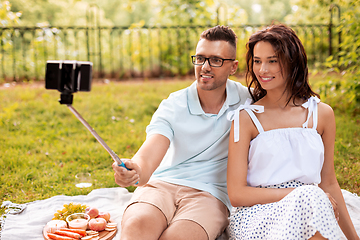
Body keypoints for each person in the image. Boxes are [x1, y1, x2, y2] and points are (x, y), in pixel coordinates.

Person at [112, 25, 251, 240]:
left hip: (211, 194)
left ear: (233, 67)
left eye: (215, 60)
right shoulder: (173, 104)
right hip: (162, 185)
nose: (205, 67)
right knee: (137, 226)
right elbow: (149, 153)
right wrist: (134, 169)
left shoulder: (247, 101)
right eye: (200, 58)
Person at [226, 24, 359, 240]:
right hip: (260, 215)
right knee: (310, 197)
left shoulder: (322, 114)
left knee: (312, 203)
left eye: (272, 61)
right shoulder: (245, 119)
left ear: (292, 62)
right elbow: (237, 194)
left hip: (312, 207)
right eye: (257, 61)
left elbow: (329, 182)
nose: (262, 70)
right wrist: (299, 194)